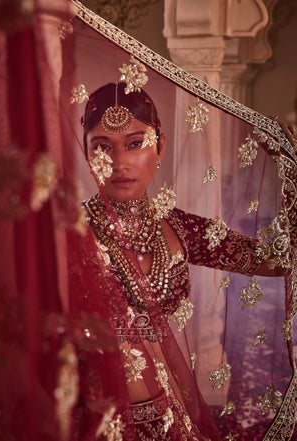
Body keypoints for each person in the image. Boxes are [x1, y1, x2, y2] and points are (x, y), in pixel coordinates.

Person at [75, 81, 295, 441]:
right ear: (86, 154)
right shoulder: (66, 234)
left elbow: (277, 261)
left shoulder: (182, 228)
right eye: (102, 147)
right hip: (95, 422)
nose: (119, 163)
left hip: (169, 417)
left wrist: (290, 178)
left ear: (160, 146)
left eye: (135, 143)